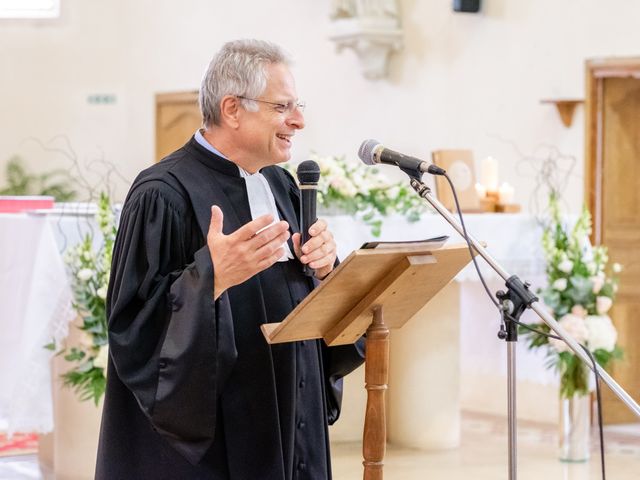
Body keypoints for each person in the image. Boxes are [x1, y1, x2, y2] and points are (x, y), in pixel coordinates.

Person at [95, 39, 365, 480]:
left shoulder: (281, 185)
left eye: (297, 106)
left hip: (287, 415)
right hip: (214, 443)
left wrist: (324, 269)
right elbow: (134, 329)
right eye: (282, 107)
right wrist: (210, 278)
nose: (298, 120)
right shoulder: (163, 194)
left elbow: (306, 303)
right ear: (233, 109)